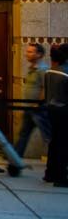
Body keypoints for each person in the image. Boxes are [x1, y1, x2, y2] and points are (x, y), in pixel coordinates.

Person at [15, 42, 50, 159]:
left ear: (39, 54)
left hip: (39, 109)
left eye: (30, 52)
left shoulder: (42, 70)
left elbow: (45, 88)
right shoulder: (31, 69)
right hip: (29, 108)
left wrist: (38, 103)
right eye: (27, 51)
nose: (27, 54)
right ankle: (15, 159)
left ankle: (59, 160)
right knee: (23, 134)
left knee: (48, 136)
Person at [45, 42, 68, 187]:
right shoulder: (65, 73)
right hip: (65, 110)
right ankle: (60, 176)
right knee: (63, 144)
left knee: (54, 142)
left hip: (51, 109)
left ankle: (50, 172)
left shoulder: (49, 71)